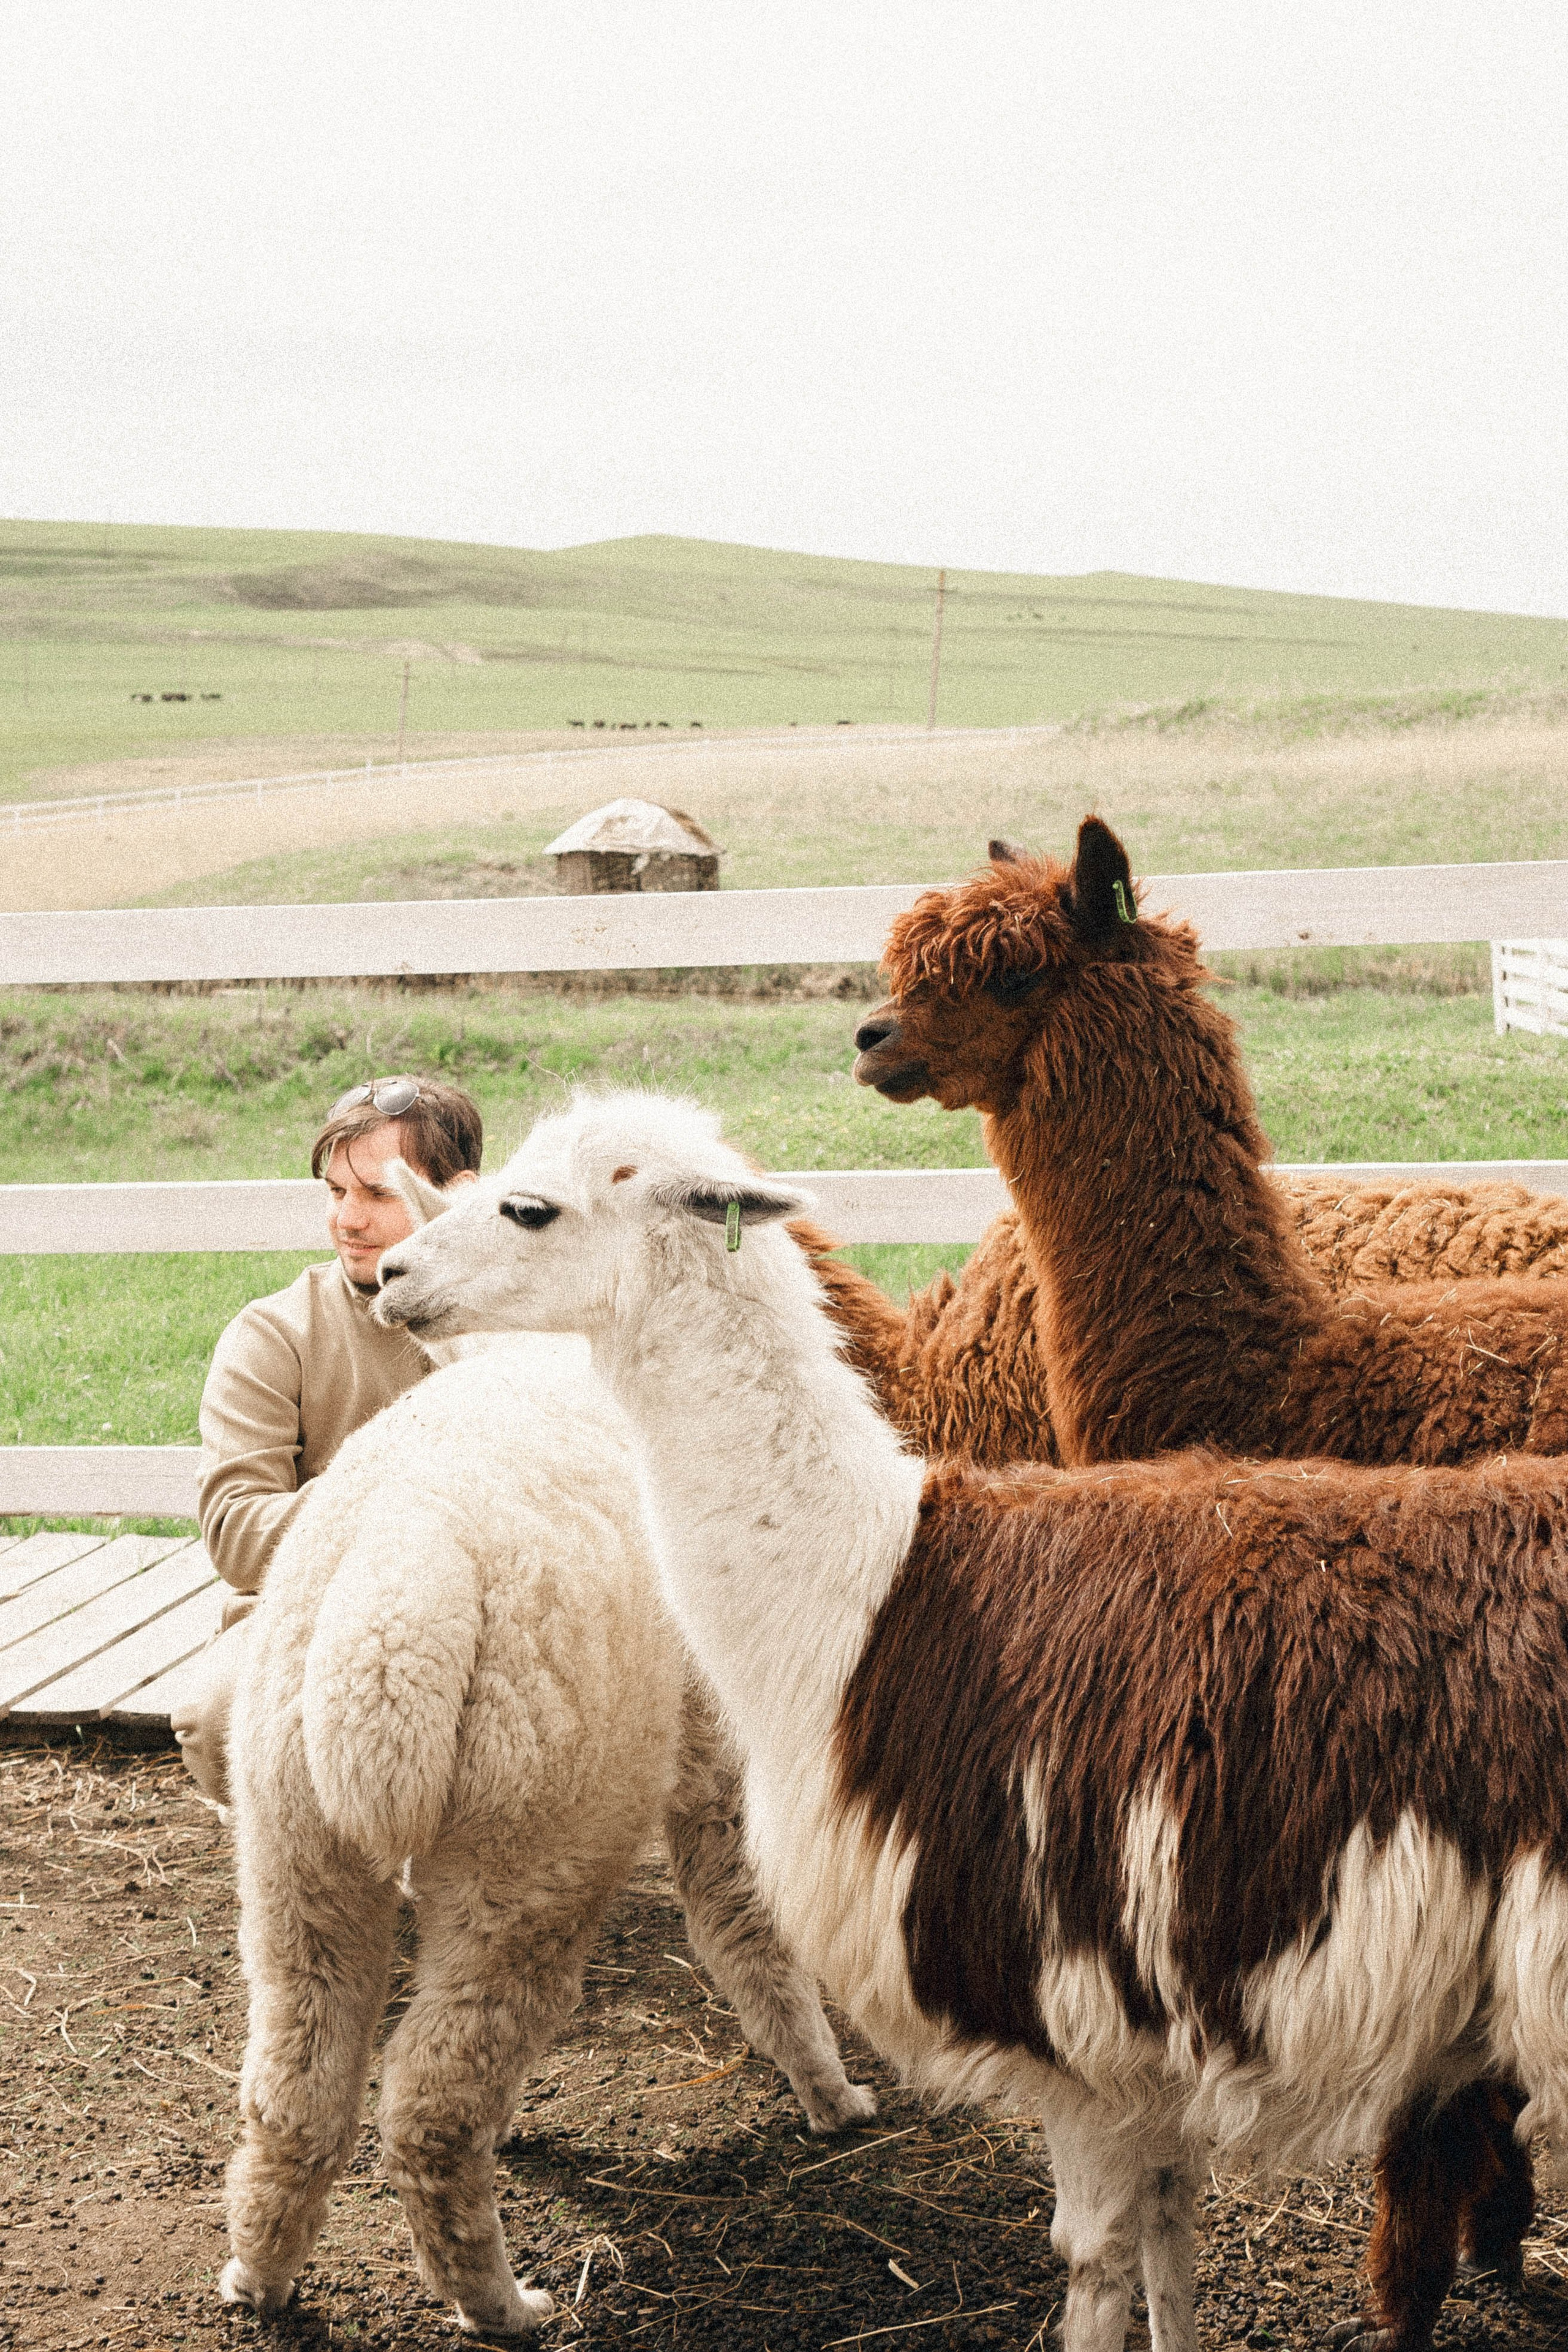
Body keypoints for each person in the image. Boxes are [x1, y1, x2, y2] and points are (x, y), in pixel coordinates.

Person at [172, 1075, 483, 1804]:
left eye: (377, 1193)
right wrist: (406, 1501)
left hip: (487, 1618)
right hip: (311, 1611)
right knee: (219, 1721)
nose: (347, 1218)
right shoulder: (274, 1334)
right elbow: (238, 1536)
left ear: (457, 1195)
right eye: (335, 1191)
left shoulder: (520, 1320)